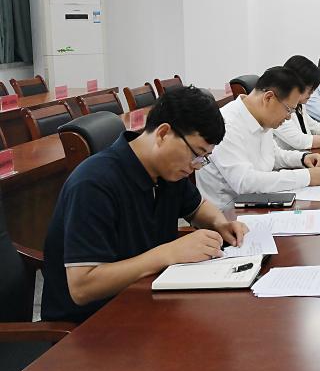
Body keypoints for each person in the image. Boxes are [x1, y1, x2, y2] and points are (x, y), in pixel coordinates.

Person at [41, 88, 248, 323]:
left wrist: (220, 223)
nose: (197, 165)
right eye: (196, 154)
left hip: (147, 300)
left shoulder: (168, 170)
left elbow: (197, 207)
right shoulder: (93, 184)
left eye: (204, 158)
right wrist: (169, 253)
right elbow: (82, 286)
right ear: (163, 134)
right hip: (92, 324)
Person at [197, 66, 320, 210]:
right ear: (268, 98)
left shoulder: (261, 118)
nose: (289, 117)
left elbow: (273, 154)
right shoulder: (227, 124)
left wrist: (302, 158)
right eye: (288, 109)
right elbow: (245, 182)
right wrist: (306, 177)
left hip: (259, 201)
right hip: (229, 213)